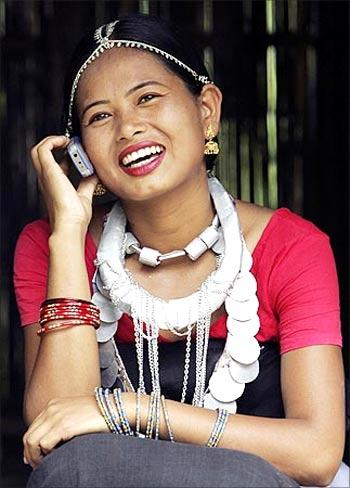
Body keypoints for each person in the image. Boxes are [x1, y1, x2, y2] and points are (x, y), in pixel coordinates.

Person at [13, 13, 345, 488]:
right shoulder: (53, 247)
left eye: (147, 97)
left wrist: (131, 410)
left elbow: (317, 455)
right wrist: (68, 234)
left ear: (206, 109)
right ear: (80, 151)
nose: (128, 128)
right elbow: (56, 444)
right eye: (99, 116)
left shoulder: (293, 248)